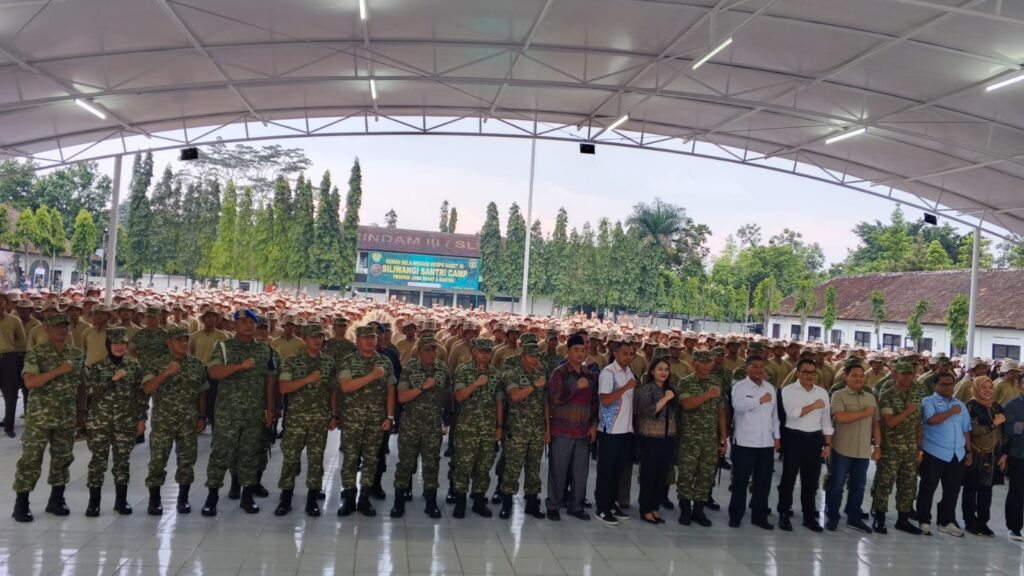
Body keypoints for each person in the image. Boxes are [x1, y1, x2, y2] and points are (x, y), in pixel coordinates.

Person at [11, 313, 85, 522]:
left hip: (65, 415)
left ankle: (57, 499)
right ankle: (21, 503)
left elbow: (81, 384)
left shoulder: (76, 354)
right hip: (40, 416)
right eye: (57, 327)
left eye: (65, 326)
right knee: (31, 459)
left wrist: (82, 412)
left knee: (63, 458)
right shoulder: (37, 353)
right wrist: (59, 370)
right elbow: (31, 382)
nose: (62, 330)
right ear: (46, 329)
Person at [201, 310, 274, 517]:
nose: (248, 325)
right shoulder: (223, 347)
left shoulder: (264, 349)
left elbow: (269, 380)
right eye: (243, 321)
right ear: (234, 325)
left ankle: (247, 496)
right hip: (228, 413)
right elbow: (213, 372)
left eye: (252, 321)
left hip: (253, 412)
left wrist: (269, 409)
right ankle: (212, 497)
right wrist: (240, 366)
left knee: (250, 454)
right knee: (220, 454)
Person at [143, 325, 208, 516]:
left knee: (187, 461)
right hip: (163, 421)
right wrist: (165, 373)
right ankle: (154, 500)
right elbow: (147, 388)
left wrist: (202, 416)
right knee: (158, 460)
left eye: (186, 339)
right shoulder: (157, 363)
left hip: (188, 420)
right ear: (169, 342)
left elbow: (202, 391)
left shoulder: (196, 364)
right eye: (179, 340)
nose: (183, 343)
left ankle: (183, 499)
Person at [274, 324, 336, 517]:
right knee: (291, 458)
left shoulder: (328, 362)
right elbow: (283, 387)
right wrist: (307, 379)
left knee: (316, 459)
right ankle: (286, 498)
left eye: (320, 337)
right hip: (296, 419)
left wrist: (334, 415)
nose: (317, 340)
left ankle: (312, 499)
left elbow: (332, 390)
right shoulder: (292, 361)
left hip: (319, 419)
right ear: (305, 339)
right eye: (313, 337)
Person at [83, 327, 146, 517]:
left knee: (122, 462)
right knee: (97, 462)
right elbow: (92, 391)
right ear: (108, 345)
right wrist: (112, 379)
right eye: (115, 343)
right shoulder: (97, 366)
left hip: (125, 422)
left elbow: (140, 395)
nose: (119, 347)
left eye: (123, 343)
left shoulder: (134, 366)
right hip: (100, 422)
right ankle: (94, 503)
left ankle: (121, 501)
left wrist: (141, 419)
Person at [336, 325, 396, 517]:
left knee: (371, 459)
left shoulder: (385, 362)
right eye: (366, 338)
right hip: (352, 419)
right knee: (350, 459)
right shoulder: (348, 360)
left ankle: (364, 498)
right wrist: (372, 376)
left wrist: (390, 417)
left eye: (373, 337)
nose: (370, 341)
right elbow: (346, 386)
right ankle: (349, 497)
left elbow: (390, 391)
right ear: (357, 340)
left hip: (376, 421)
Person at [392, 335, 448, 519]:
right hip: (411, 425)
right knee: (405, 463)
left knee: (432, 464)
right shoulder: (409, 369)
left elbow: (447, 393)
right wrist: (422, 387)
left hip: (432, 426)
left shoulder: (442, 369)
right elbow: (402, 397)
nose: (432, 353)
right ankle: (399, 502)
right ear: (418, 352)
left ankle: (431, 503)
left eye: (434, 349)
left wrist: (447, 416)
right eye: (427, 350)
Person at [546, 334, 598, 521]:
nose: (580, 354)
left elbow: (594, 404)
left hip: (583, 432)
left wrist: (593, 425)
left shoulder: (589, 375)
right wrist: (576, 387)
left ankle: (576, 506)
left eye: (583, 350)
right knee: (558, 471)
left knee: (580, 474)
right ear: (568, 352)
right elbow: (554, 399)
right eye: (576, 350)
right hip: (562, 431)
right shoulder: (559, 373)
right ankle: (553, 505)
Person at [777, 358, 832, 532]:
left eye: (813, 372)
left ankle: (809, 517)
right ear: (797, 373)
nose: (809, 376)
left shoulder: (822, 392)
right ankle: (784, 513)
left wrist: (827, 444)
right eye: (805, 372)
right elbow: (793, 414)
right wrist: (814, 405)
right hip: (794, 438)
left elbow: (826, 420)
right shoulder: (788, 390)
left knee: (811, 481)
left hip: (814, 439)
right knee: (788, 479)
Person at [826, 358, 881, 533]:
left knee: (858, 486)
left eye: (861, 375)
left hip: (863, 450)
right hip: (842, 448)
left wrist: (877, 447)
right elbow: (840, 417)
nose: (858, 378)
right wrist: (864, 413)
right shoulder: (838, 395)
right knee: (837, 485)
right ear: (846, 377)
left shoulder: (870, 397)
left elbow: (876, 424)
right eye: (854, 375)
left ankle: (853, 517)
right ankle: (832, 516)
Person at [871, 361, 925, 535]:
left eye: (911, 374)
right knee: (884, 483)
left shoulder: (916, 393)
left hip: (910, 447)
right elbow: (889, 422)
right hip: (891, 447)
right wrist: (908, 411)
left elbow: (918, 421)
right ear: (895, 375)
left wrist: (919, 445)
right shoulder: (888, 394)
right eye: (904, 374)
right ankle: (879, 517)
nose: (909, 377)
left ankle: (903, 519)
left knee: (908, 484)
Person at [916, 371, 972, 536]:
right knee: (928, 487)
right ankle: (924, 520)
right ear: (935, 385)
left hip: (957, 453)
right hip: (934, 452)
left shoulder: (960, 405)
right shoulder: (928, 401)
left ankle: (946, 521)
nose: (948, 387)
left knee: (952, 490)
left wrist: (969, 450)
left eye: (951, 384)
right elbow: (932, 420)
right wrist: (952, 411)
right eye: (943, 384)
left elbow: (966, 430)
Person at [451, 338, 502, 518]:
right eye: (482, 351)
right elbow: (459, 396)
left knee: (484, 465)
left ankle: (479, 502)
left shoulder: (495, 373)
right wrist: (476, 384)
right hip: (467, 428)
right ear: (474, 352)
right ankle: (460, 502)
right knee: (463, 465)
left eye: (488, 352)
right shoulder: (463, 370)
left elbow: (499, 401)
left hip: (488, 428)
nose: (486, 355)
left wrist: (499, 425)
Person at [497, 342, 548, 520]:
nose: (535, 359)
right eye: (532, 356)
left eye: (537, 356)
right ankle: (507, 504)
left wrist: (547, 428)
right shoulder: (513, 374)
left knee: (534, 468)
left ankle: (532, 503)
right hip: (518, 429)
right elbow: (514, 396)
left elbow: (545, 402)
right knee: (512, 467)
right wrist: (534, 385)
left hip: (537, 428)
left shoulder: (541, 374)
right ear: (523, 357)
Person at [728, 354, 780, 529]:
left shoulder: (770, 387)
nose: (759, 370)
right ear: (747, 368)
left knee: (763, 483)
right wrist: (759, 400)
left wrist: (777, 437)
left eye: (761, 367)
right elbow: (738, 406)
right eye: (754, 366)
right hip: (745, 442)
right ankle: (736, 515)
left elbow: (774, 416)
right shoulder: (739, 386)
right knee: (740, 482)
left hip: (766, 443)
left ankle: (759, 517)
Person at [675, 349, 726, 527]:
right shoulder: (685, 382)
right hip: (690, 439)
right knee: (686, 474)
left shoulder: (716, 382)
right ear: (694, 363)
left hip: (710, 439)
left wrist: (723, 438)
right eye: (702, 362)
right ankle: (685, 510)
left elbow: (721, 411)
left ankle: (699, 510)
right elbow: (686, 404)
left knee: (706, 475)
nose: (706, 365)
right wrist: (707, 395)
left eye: (709, 362)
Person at [594, 341, 636, 526]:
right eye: (625, 353)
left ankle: (612, 504)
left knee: (618, 471)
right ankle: (602, 508)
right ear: (615, 353)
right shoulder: (608, 373)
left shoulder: (629, 372)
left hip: (625, 430)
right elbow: (605, 400)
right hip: (610, 430)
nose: (628, 357)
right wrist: (626, 387)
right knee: (606, 471)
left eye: (631, 354)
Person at [633, 357, 676, 524]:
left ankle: (654, 506)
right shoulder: (647, 389)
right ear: (652, 371)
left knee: (661, 475)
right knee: (648, 474)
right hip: (650, 438)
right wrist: (665, 398)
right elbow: (647, 411)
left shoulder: (670, 389)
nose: (664, 372)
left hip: (667, 438)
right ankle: (645, 509)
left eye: (666, 369)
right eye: (660, 369)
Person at [962, 376, 1006, 536]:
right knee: (971, 488)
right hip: (975, 455)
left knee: (987, 490)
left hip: (994, 456)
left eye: (990, 387)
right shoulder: (970, 407)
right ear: (975, 389)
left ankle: (983, 522)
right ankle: (970, 521)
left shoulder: (996, 406)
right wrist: (993, 423)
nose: (987, 390)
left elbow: (1004, 432)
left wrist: (1005, 453)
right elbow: (971, 430)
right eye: (983, 387)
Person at [0, 293, 27, 438]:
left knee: (10, 394)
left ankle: (9, 427)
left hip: (8, 358)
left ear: (7, 303)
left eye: (2, 300)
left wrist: (10, 349)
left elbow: (21, 340)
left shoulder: (14, 320)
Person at [1003, 374, 1024, 541]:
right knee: (1017, 491)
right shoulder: (1012, 405)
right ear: (1020, 386)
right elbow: (1007, 429)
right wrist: (1021, 425)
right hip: (1018, 455)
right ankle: (1014, 527)